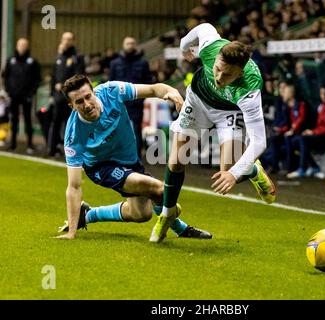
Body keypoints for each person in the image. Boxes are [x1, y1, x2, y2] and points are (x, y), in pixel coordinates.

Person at [150, 23, 276, 243]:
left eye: (227, 75)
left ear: (241, 71)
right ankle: (167, 213)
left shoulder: (250, 89)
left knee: (227, 172)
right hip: (197, 101)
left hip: (228, 112)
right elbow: (204, 27)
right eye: (217, 69)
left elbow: (259, 141)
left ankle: (253, 171)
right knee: (177, 160)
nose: (219, 78)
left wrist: (234, 174)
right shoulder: (211, 47)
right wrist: (184, 46)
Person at [56, 74, 211, 240]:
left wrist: (171, 91)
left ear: (94, 92)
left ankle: (88, 215)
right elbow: (73, 186)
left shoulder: (111, 91)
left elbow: (153, 89)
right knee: (159, 190)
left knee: (140, 214)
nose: (86, 105)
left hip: (130, 161)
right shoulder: (74, 134)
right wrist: (71, 233)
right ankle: (181, 228)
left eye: (88, 97)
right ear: (71, 106)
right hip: (101, 167)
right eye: (79, 102)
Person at [109, 37, 152, 158]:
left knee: (136, 130)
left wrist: (140, 99)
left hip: (136, 104)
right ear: (123, 45)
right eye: (128, 43)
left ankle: (136, 157)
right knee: (117, 129)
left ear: (136, 45)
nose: (130, 45)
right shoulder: (115, 63)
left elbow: (148, 82)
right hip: (119, 103)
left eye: (132, 43)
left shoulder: (143, 63)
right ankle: (118, 155)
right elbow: (110, 84)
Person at [286, 85, 325, 179]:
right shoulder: (321, 107)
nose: (324, 95)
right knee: (295, 140)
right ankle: (314, 167)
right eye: (322, 93)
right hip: (320, 135)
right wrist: (311, 131)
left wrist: (313, 132)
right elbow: (318, 126)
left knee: (302, 140)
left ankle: (303, 168)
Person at [49, 32, 85, 157]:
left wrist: (64, 85)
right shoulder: (59, 57)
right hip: (58, 97)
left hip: (72, 96)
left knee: (70, 123)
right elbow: (53, 76)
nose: (67, 41)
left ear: (73, 41)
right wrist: (51, 93)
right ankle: (52, 149)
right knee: (55, 122)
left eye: (69, 39)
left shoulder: (77, 57)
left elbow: (79, 75)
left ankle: (70, 151)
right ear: (61, 39)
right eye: (65, 39)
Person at [2, 38, 41, 153]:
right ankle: (13, 143)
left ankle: (30, 144)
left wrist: (32, 92)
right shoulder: (11, 60)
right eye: (20, 45)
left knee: (28, 119)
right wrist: (8, 91)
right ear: (17, 46)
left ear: (27, 47)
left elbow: (37, 79)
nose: (22, 47)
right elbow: (5, 76)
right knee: (13, 119)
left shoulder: (32, 61)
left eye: (24, 45)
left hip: (27, 96)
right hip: (13, 95)